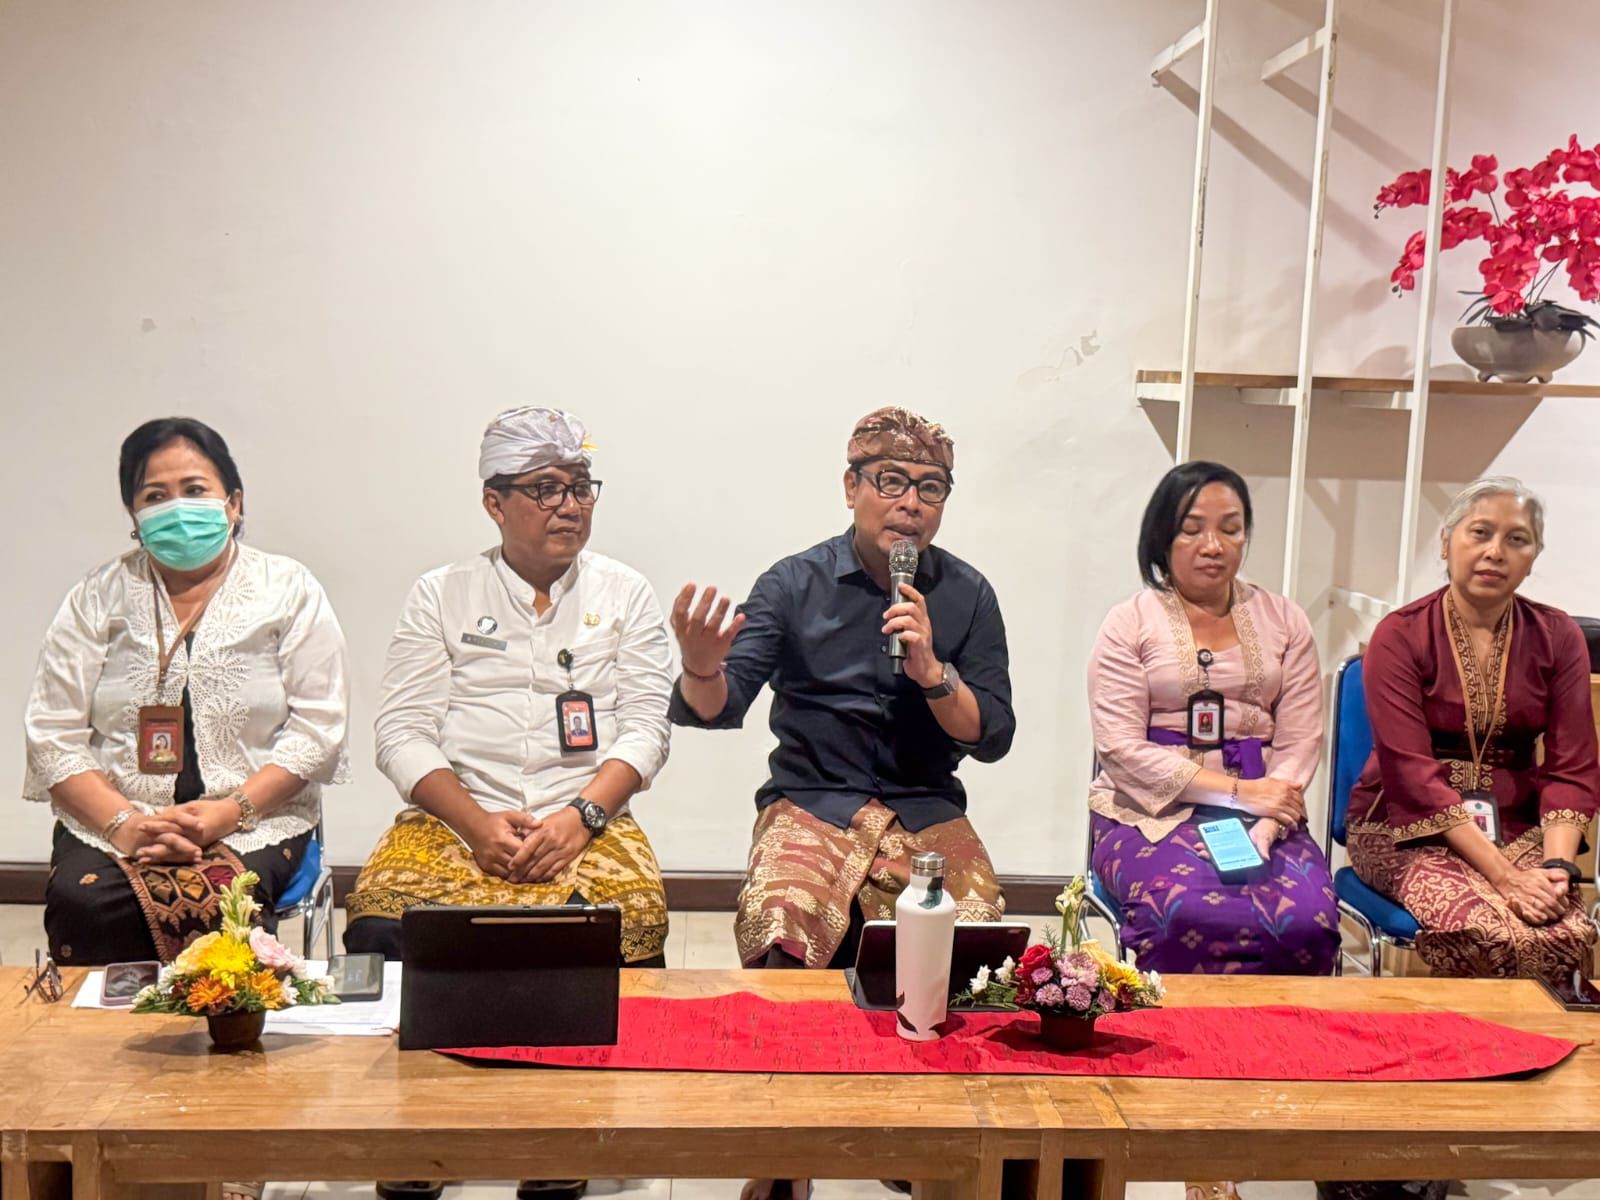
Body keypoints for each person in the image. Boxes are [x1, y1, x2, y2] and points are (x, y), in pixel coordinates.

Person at [670, 406, 1014, 972]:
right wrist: (702, 669)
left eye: (931, 488)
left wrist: (934, 675)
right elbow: (719, 707)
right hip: (812, 803)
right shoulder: (791, 584)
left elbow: (991, 734)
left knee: (975, 930)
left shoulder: (969, 593)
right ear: (851, 487)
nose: (911, 504)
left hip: (924, 809)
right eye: (892, 481)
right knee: (778, 914)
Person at [344, 407, 673, 971]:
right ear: (494, 503)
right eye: (546, 489)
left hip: (588, 821)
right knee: (381, 924)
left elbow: (647, 728)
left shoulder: (625, 591)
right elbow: (401, 734)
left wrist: (579, 819)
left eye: (580, 488)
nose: (570, 506)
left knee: (628, 924)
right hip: (456, 818)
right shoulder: (442, 593)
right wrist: (476, 825)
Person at [24, 417, 350, 968]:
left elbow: (320, 729)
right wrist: (127, 825)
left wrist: (231, 810)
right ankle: (95, 1051)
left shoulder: (288, 589)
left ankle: (230, 1046)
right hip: (116, 820)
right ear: (134, 515)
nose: (177, 507)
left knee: (228, 900)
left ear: (234, 503)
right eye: (156, 495)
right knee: (85, 900)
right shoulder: (96, 596)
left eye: (195, 490)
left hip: (256, 819)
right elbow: (52, 734)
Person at [1088, 461, 1338, 976]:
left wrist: (1267, 821)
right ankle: (1178, 1047)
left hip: (1267, 807)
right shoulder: (1128, 622)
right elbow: (1119, 748)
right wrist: (1237, 793)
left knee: (1309, 919)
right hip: (1149, 812)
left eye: (1231, 529)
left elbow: (1300, 739)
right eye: (1192, 528)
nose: (1214, 545)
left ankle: (1286, 1050)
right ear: (1162, 536)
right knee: (1183, 914)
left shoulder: (1285, 619)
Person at [1348, 476, 1599, 984]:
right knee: (1485, 928)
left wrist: (1558, 869)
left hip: (1518, 824)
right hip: (1400, 829)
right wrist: (1504, 878)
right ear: (1446, 543)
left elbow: (1574, 766)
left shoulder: (1558, 636)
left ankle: (1550, 1058)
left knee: (1564, 930)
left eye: (1517, 540)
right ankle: (1463, 1056)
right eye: (1480, 533)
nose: (1495, 552)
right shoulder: (1400, 634)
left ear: (1534, 556)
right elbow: (1411, 775)